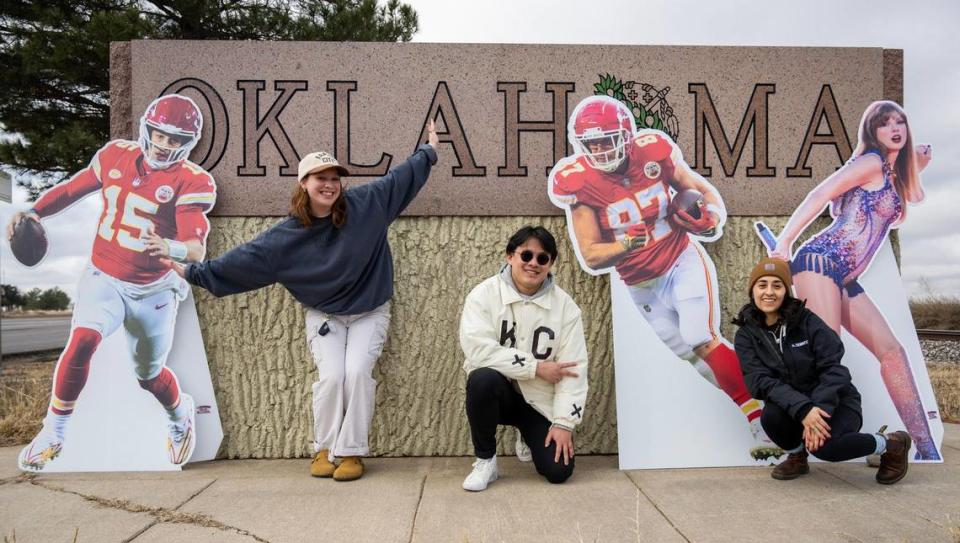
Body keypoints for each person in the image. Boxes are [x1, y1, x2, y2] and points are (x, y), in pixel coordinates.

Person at [170, 122, 440, 481]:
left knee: (357, 374)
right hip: (325, 315)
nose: (329, 184)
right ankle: (325, 448)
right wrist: (191, 273)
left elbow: (402, 177)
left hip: (369, 311)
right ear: (304, 183)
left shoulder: (367, 205)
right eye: (320, 178)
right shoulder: (285, 238)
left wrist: (429, 151)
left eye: (334, 178)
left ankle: (352, 452)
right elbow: (240, 262)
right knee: (331, 378)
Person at [548, 95, 778, 461]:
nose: (601, 149)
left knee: (700, 335)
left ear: (625, 135)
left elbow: (700, 190)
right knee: (691, 354)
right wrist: (624, 244)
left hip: (679, 259)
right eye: (593, 143)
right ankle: (757, 411)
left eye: (608, 139)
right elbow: (591, 253)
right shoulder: (579, 181)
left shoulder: (652, 151)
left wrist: (712, 216)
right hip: (639, 282)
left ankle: (770, 411)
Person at [7, 94, 215, 471]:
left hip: (154, 287)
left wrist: (168, 246)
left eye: (176, 139)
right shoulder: (115, 155)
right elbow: (73, 189)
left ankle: (178, 413)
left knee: (148, 376)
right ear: (146, 129)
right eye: (160, 135)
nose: (166, 145)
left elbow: (196, 250)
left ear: (187, 143)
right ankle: (54, 429)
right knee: (83, 340)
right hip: (104, 274)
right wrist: (35, 211)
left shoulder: (191, 181)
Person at [770, 100, 938, 460]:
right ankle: (799, 449)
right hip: (820, 261)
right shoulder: (870, 162)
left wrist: (917, 166)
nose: (895, 128)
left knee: (893, 353)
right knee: (825, 351)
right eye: (885, 123)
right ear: (872, 132)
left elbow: (915, 196)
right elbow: (820, 194)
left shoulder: (892, 175)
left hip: (844, 277)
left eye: (900, 122)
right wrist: (785, 240)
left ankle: (924, 448)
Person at [733, 257, 911, 483]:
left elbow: (834, 370)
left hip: (835, 401)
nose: (769, 292)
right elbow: (759, 381)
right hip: (795, 407)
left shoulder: (807, 322)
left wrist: (818, 409)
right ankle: (797, 456)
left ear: (786, 291)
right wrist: (803, 410)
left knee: (826, 449)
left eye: (777, 286)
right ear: (753, 290)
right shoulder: (746, 335)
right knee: (771, 418)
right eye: (762, 285)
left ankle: (891, 443)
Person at [459, 226, 588, 491]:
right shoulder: (483, 295)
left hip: (538, 402)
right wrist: (535, 367)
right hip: (499, 392)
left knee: (559, 471)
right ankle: (486, 461)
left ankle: (527, 435)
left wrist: (564, 423)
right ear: (509, 256)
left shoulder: (565, 307)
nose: (533, 264)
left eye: (543, 258)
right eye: (526, 255)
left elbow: (574, 368)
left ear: (551, 264)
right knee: (481, 379)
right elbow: (478, 350)